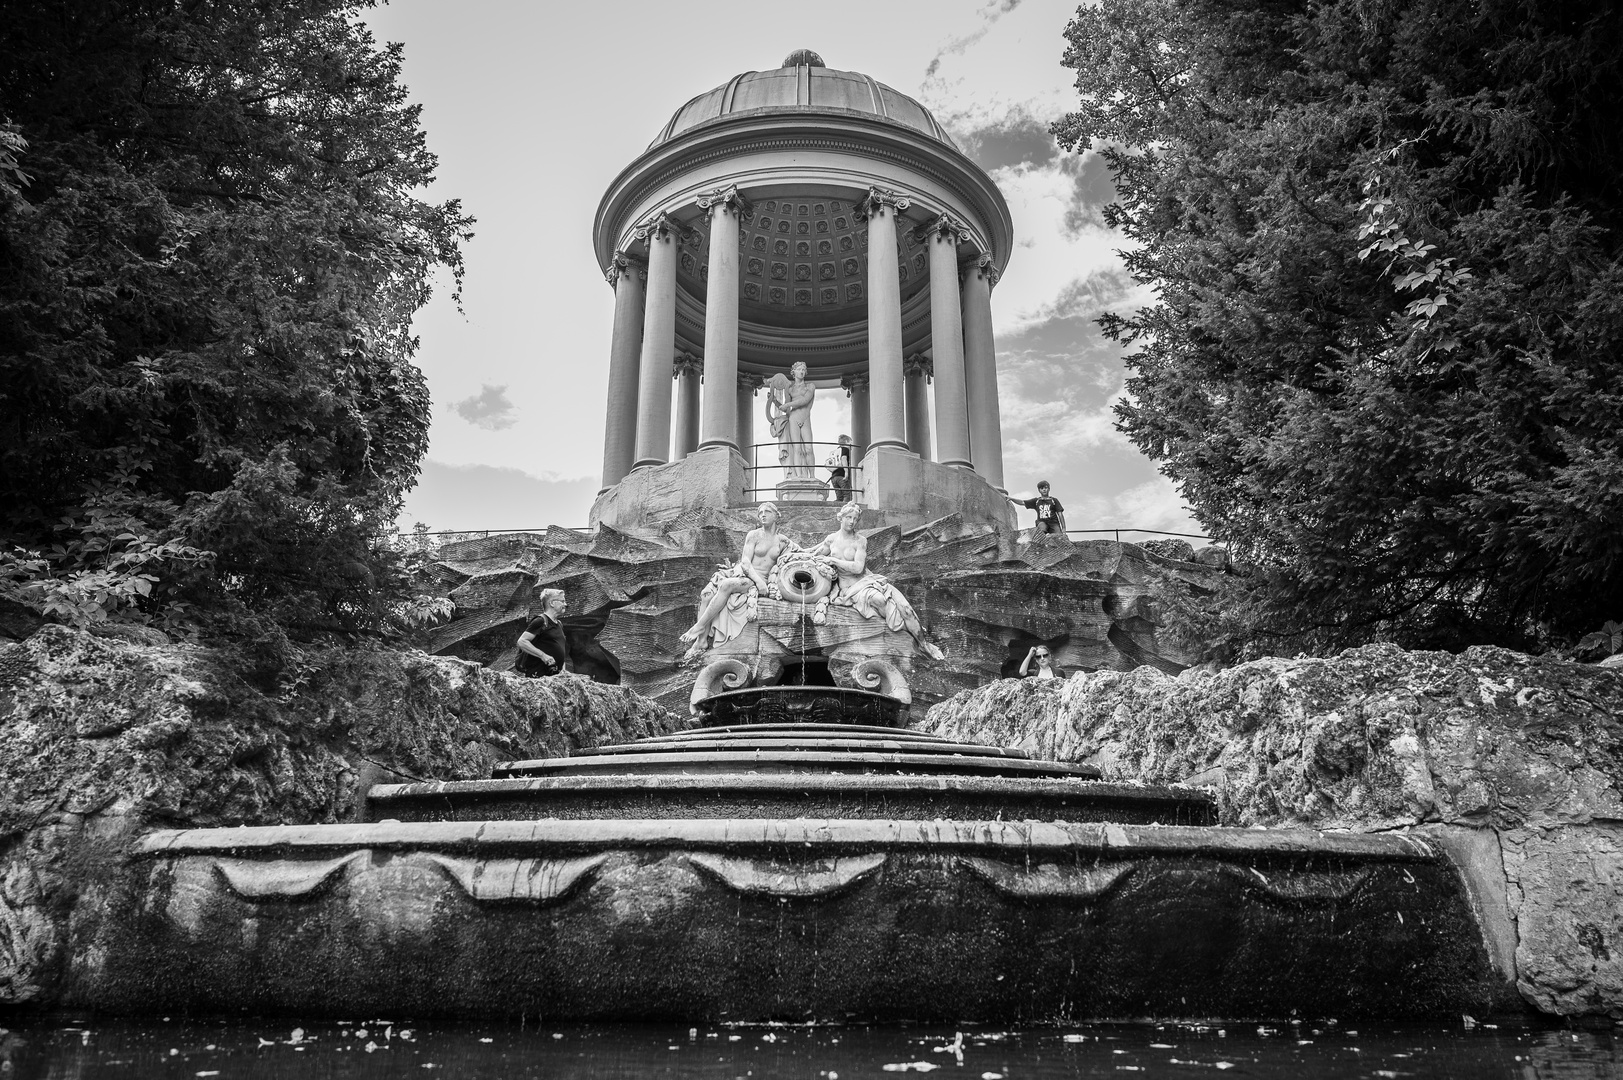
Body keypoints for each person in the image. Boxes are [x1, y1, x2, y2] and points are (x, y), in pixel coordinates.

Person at [812, 501, 945, 660]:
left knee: (907, 609)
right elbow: (812, 554)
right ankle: (905, 630)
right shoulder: (831, 540)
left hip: (868, 581)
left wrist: (834, 561)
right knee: (879, 600)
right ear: (841, 518)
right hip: (850, 590)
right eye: (848, 517)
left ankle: (924, 644)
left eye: (855, 518)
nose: (852, 522)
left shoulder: (860, 541)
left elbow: (858, 568)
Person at [679, 502, 796, 660]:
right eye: (760, 512)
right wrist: (758, 582)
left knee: (727, 585)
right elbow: (746, 562)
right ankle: (701, 641)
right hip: (747, 574)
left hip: (760, 580)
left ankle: (698, 627)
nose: (763, 514)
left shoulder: (783, 541)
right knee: (706, 594)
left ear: (776, 516)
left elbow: (801, 554)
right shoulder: (754, 535)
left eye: (767, 511)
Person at [765, 361, 817, 478]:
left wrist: (787, 405)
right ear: (793, 372)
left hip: (805, 419)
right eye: (799, 369)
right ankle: (798, 477)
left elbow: (804, 400)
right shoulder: (790, 389)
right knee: (797, 449)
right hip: (793, 418)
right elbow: (786, 409)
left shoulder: (810, 386)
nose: (802, 371)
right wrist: (773, 401)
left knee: (809, 448)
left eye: (804, 369)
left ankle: (812, 477)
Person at [515, 588, 570, 677]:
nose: (565, 604)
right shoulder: (540, 621)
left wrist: (563, 672)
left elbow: (560, 649)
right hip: (538, 677)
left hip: (555, 677)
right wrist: (543, 656)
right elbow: (522, 642)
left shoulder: (559, 624)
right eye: (562, 601)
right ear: (552, 603)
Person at [826, 434, 853, 501]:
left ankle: (838, 509)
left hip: (834, 477)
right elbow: (843, 458)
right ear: (847, 441)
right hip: (841, 476)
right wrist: (846, 472)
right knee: (847, 494)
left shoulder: (836, 451)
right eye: (851, 442)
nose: (852, 445)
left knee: (839, 497)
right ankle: (845, 510)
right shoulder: (845, 449)